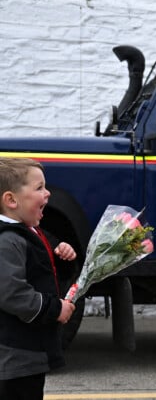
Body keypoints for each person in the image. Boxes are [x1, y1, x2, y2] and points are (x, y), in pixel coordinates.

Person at [0, 157, 77, 400]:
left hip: (29, 353)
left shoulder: (31, 232)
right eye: (39, 188)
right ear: (11, 200)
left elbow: (44, 271)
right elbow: (12, 293)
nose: (48, 193)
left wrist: (64, 258)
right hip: (15, 357)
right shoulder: (7, 241)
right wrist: (55, 309)